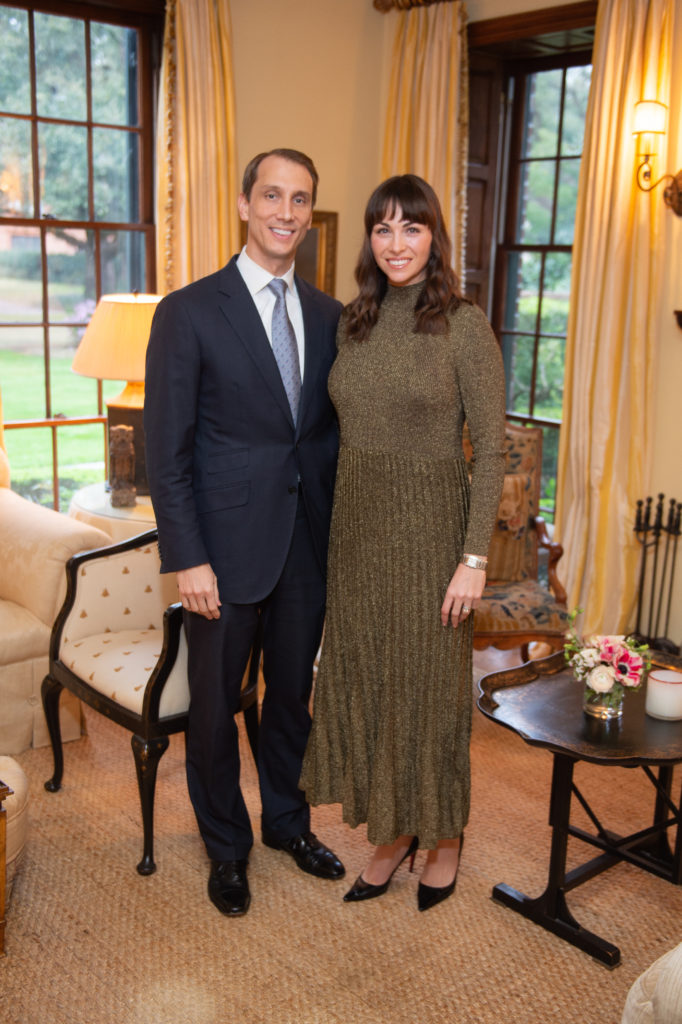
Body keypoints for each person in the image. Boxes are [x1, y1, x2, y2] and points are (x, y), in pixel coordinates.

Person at [144, 148, 346, 917]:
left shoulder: (328, 316)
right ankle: (226, 850)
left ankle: (287, 825)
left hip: (306, 548)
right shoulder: (190, 311)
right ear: (243, 203)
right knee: (214, 709)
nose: (286, 212)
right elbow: (167, 452)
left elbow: (321, 438)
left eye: (300, 198)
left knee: (293, 697)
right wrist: (187, 557)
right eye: (272, 195)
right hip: (221, 555)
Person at [299, 174, 506, 912]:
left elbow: (491, 449)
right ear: (370, 239)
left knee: (428, 694)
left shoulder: (463, 324)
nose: (396, 243)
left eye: (410, 228)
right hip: (357, 533)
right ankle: (392, 835)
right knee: (373, 686)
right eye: (382, 229)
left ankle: (441, 835)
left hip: (433, 540)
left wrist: (473, 559)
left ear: (433, 237)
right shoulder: (353, 321)